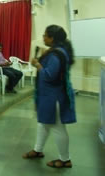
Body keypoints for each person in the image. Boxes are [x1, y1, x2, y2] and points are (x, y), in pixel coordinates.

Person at [23, 25, 76, 169]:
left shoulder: (56, 54)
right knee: (43, 124)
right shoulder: (56, 52)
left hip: (54, 98)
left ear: (52, 38)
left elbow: (50, 76)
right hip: (49, 96)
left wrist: (38, 64)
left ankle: (65, 160)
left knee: (58, 127)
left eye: (45, 35)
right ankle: (38, 150)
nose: (43, 37)